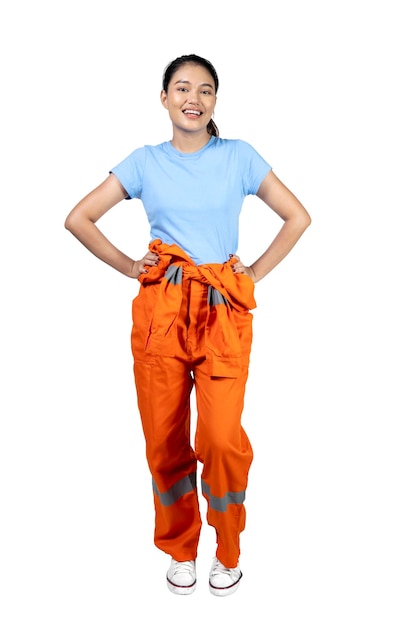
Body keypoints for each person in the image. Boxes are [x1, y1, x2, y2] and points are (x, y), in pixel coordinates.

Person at [64, 53, 311, 597]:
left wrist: (253, 273)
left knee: (220, 439)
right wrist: (131, 266)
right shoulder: (144, 162)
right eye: (181, 88)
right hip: (161, 313)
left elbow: (298, 217)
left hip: (222, 311)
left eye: (204, 90)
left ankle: (227, 549)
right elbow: (77, 217)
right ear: (164, 98)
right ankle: (180, 548)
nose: (192, 98)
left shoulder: (239, 157)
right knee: (164, 440)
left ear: (215, 102)